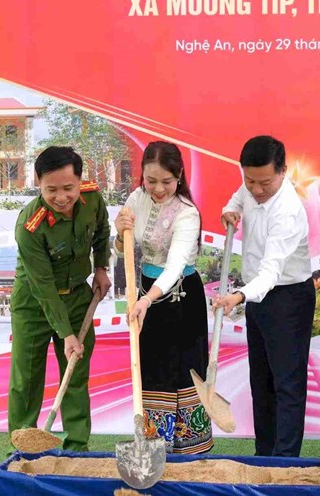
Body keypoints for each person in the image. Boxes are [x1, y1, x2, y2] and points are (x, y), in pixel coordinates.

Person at [214, 135, 314, 458]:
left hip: (287, 298)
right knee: (261, 380)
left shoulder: (288, 212)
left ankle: (285, 462)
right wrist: (231, 209)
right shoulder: (250, 186)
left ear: (283, 171)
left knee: (287, 383)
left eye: (264, 183)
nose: (256, 190)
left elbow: (271, 272)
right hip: (256, 297)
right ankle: (264, 454)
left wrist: (239, 296)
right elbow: (238, 196)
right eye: (250, 180)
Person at [8, 146, 111, 451]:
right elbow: (43, 287)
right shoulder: (30, 225)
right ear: (38, 182)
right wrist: (66, 334)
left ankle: (76, 448)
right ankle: (23, 446)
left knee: (76, 373)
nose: (61, 197)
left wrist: (102, 268)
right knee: (26, 378)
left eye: (68, 188)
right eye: (51, 190)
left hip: (78, 296)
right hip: (34, 303)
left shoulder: (92, 198)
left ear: (80, 181)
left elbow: (103, 231)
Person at [113, 141, 213, 454]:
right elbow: (122, 249)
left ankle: (190, 448)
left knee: (184, 368)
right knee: (152, 366)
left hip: (181, 296)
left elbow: (174, 267)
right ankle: (156, 447)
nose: (158, 189)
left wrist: (146, 300)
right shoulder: (135, 199)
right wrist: (119, 232)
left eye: (166, 182)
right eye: (151, 180)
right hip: (144, 291)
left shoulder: (187, 213)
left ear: (180, 176)